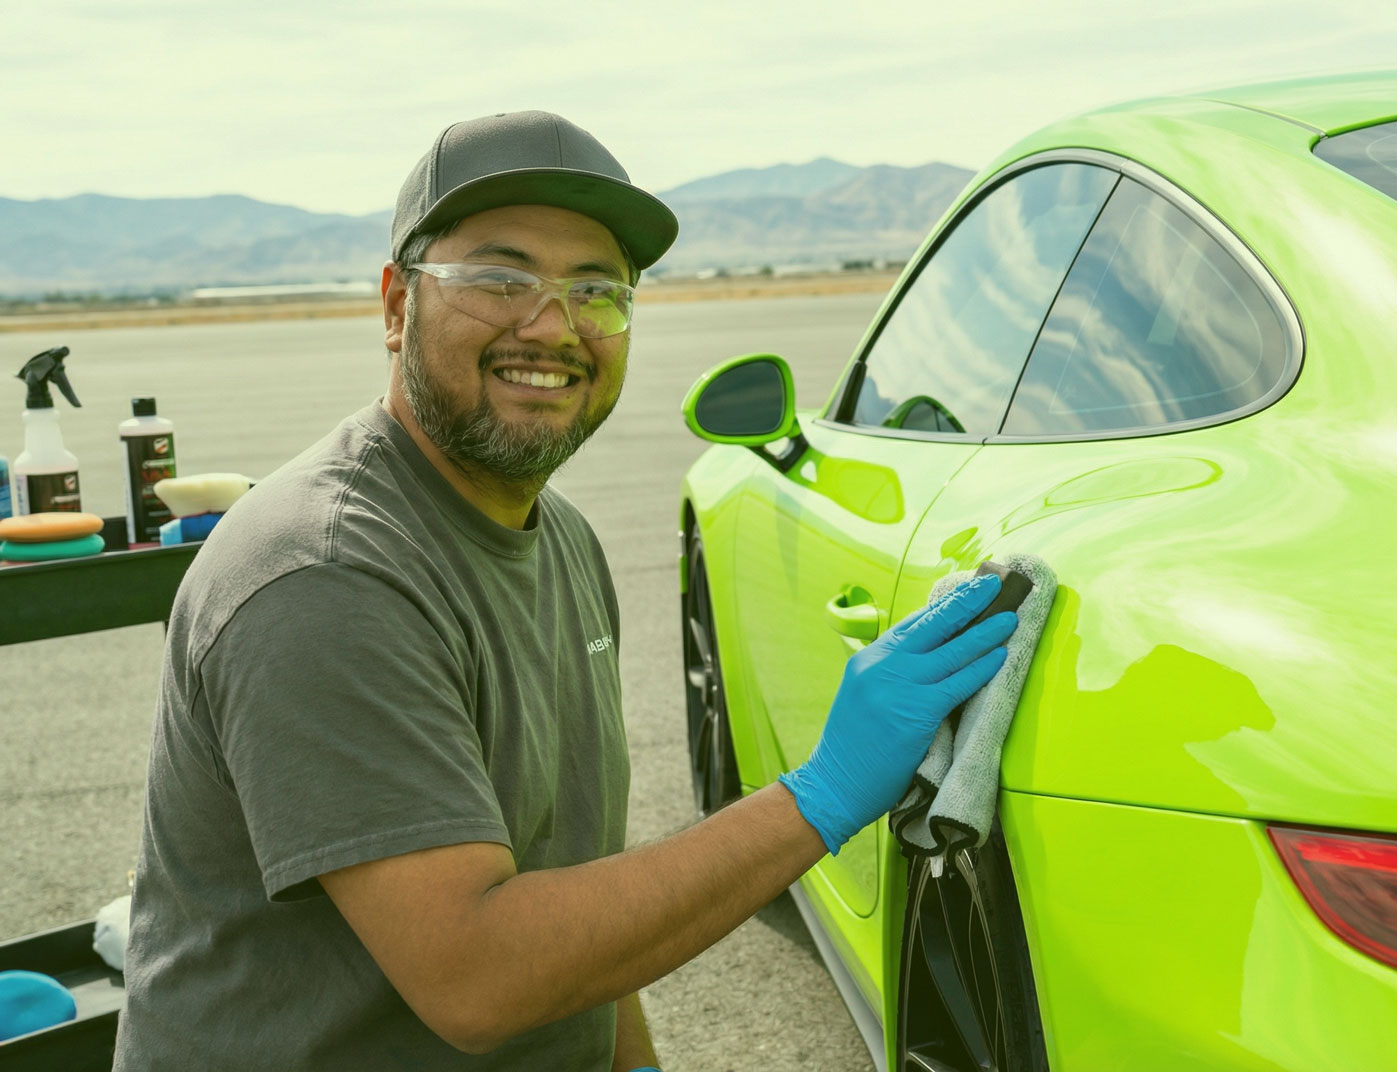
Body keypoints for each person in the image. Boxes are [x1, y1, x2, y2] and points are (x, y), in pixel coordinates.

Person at [112, 111, 1017, 1071]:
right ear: (394, 305)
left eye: (597, 290)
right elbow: (481, 976)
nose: (552, 326)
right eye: (500, 279)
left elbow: (570, 886)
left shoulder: (564, 543)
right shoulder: (325, 573)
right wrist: (820, 796)